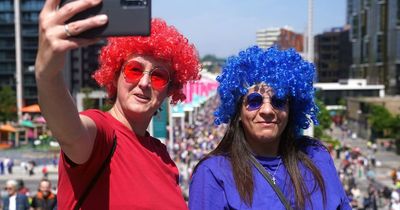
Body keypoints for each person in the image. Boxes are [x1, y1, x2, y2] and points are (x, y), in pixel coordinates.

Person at [35, 0, 200, 209]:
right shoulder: (102, 132)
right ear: (115, 77)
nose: (144, 83)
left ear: (169, 90)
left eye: (158, 76)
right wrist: (47, 75)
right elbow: (71, 133)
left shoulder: (162, 155)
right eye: (134, 70)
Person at [189, 46, 351, 210]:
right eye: (254, 101)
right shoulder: (213, 173)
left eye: (278, 100)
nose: (267, 111)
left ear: (290, 109)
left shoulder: (317, 157)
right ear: (237, 112)